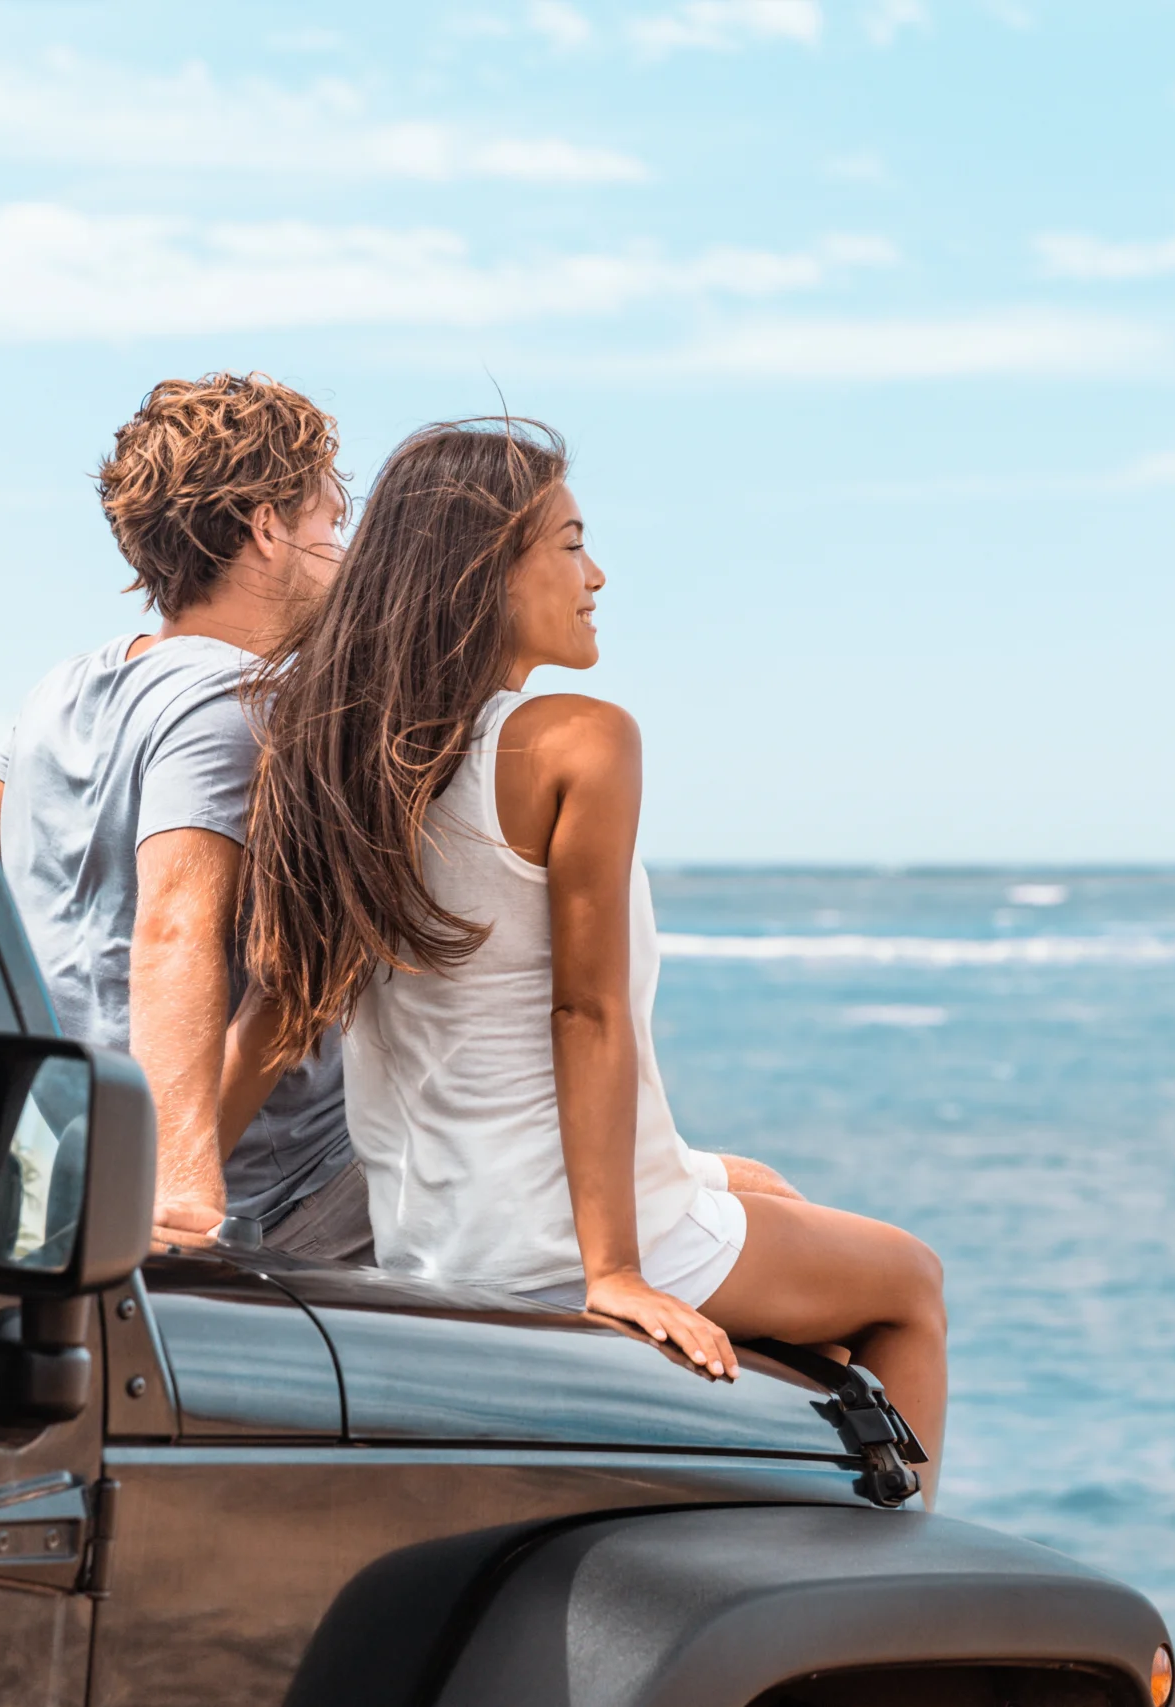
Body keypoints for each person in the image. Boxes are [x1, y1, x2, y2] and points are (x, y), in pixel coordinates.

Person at [242, 418, 949, 1493]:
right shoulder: (577, 739)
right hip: (558, 1242)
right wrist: (611, 1271)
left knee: (766, 1194)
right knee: (906, 1283)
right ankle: (890, 1580)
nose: (597, 574)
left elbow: (287, 1001)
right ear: (489, 568)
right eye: (570, 544)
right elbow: (587, 1014)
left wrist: (168, 1194)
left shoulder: (347, 758)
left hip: (432, 1238)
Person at [0, 373, 370, 1259]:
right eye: (331, 527)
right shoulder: (237, 703)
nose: (343, 557)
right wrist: (184, 1183)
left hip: (83, 1158)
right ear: (268, 527)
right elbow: (176, 927)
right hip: (284, 1196)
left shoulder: (60, 688)